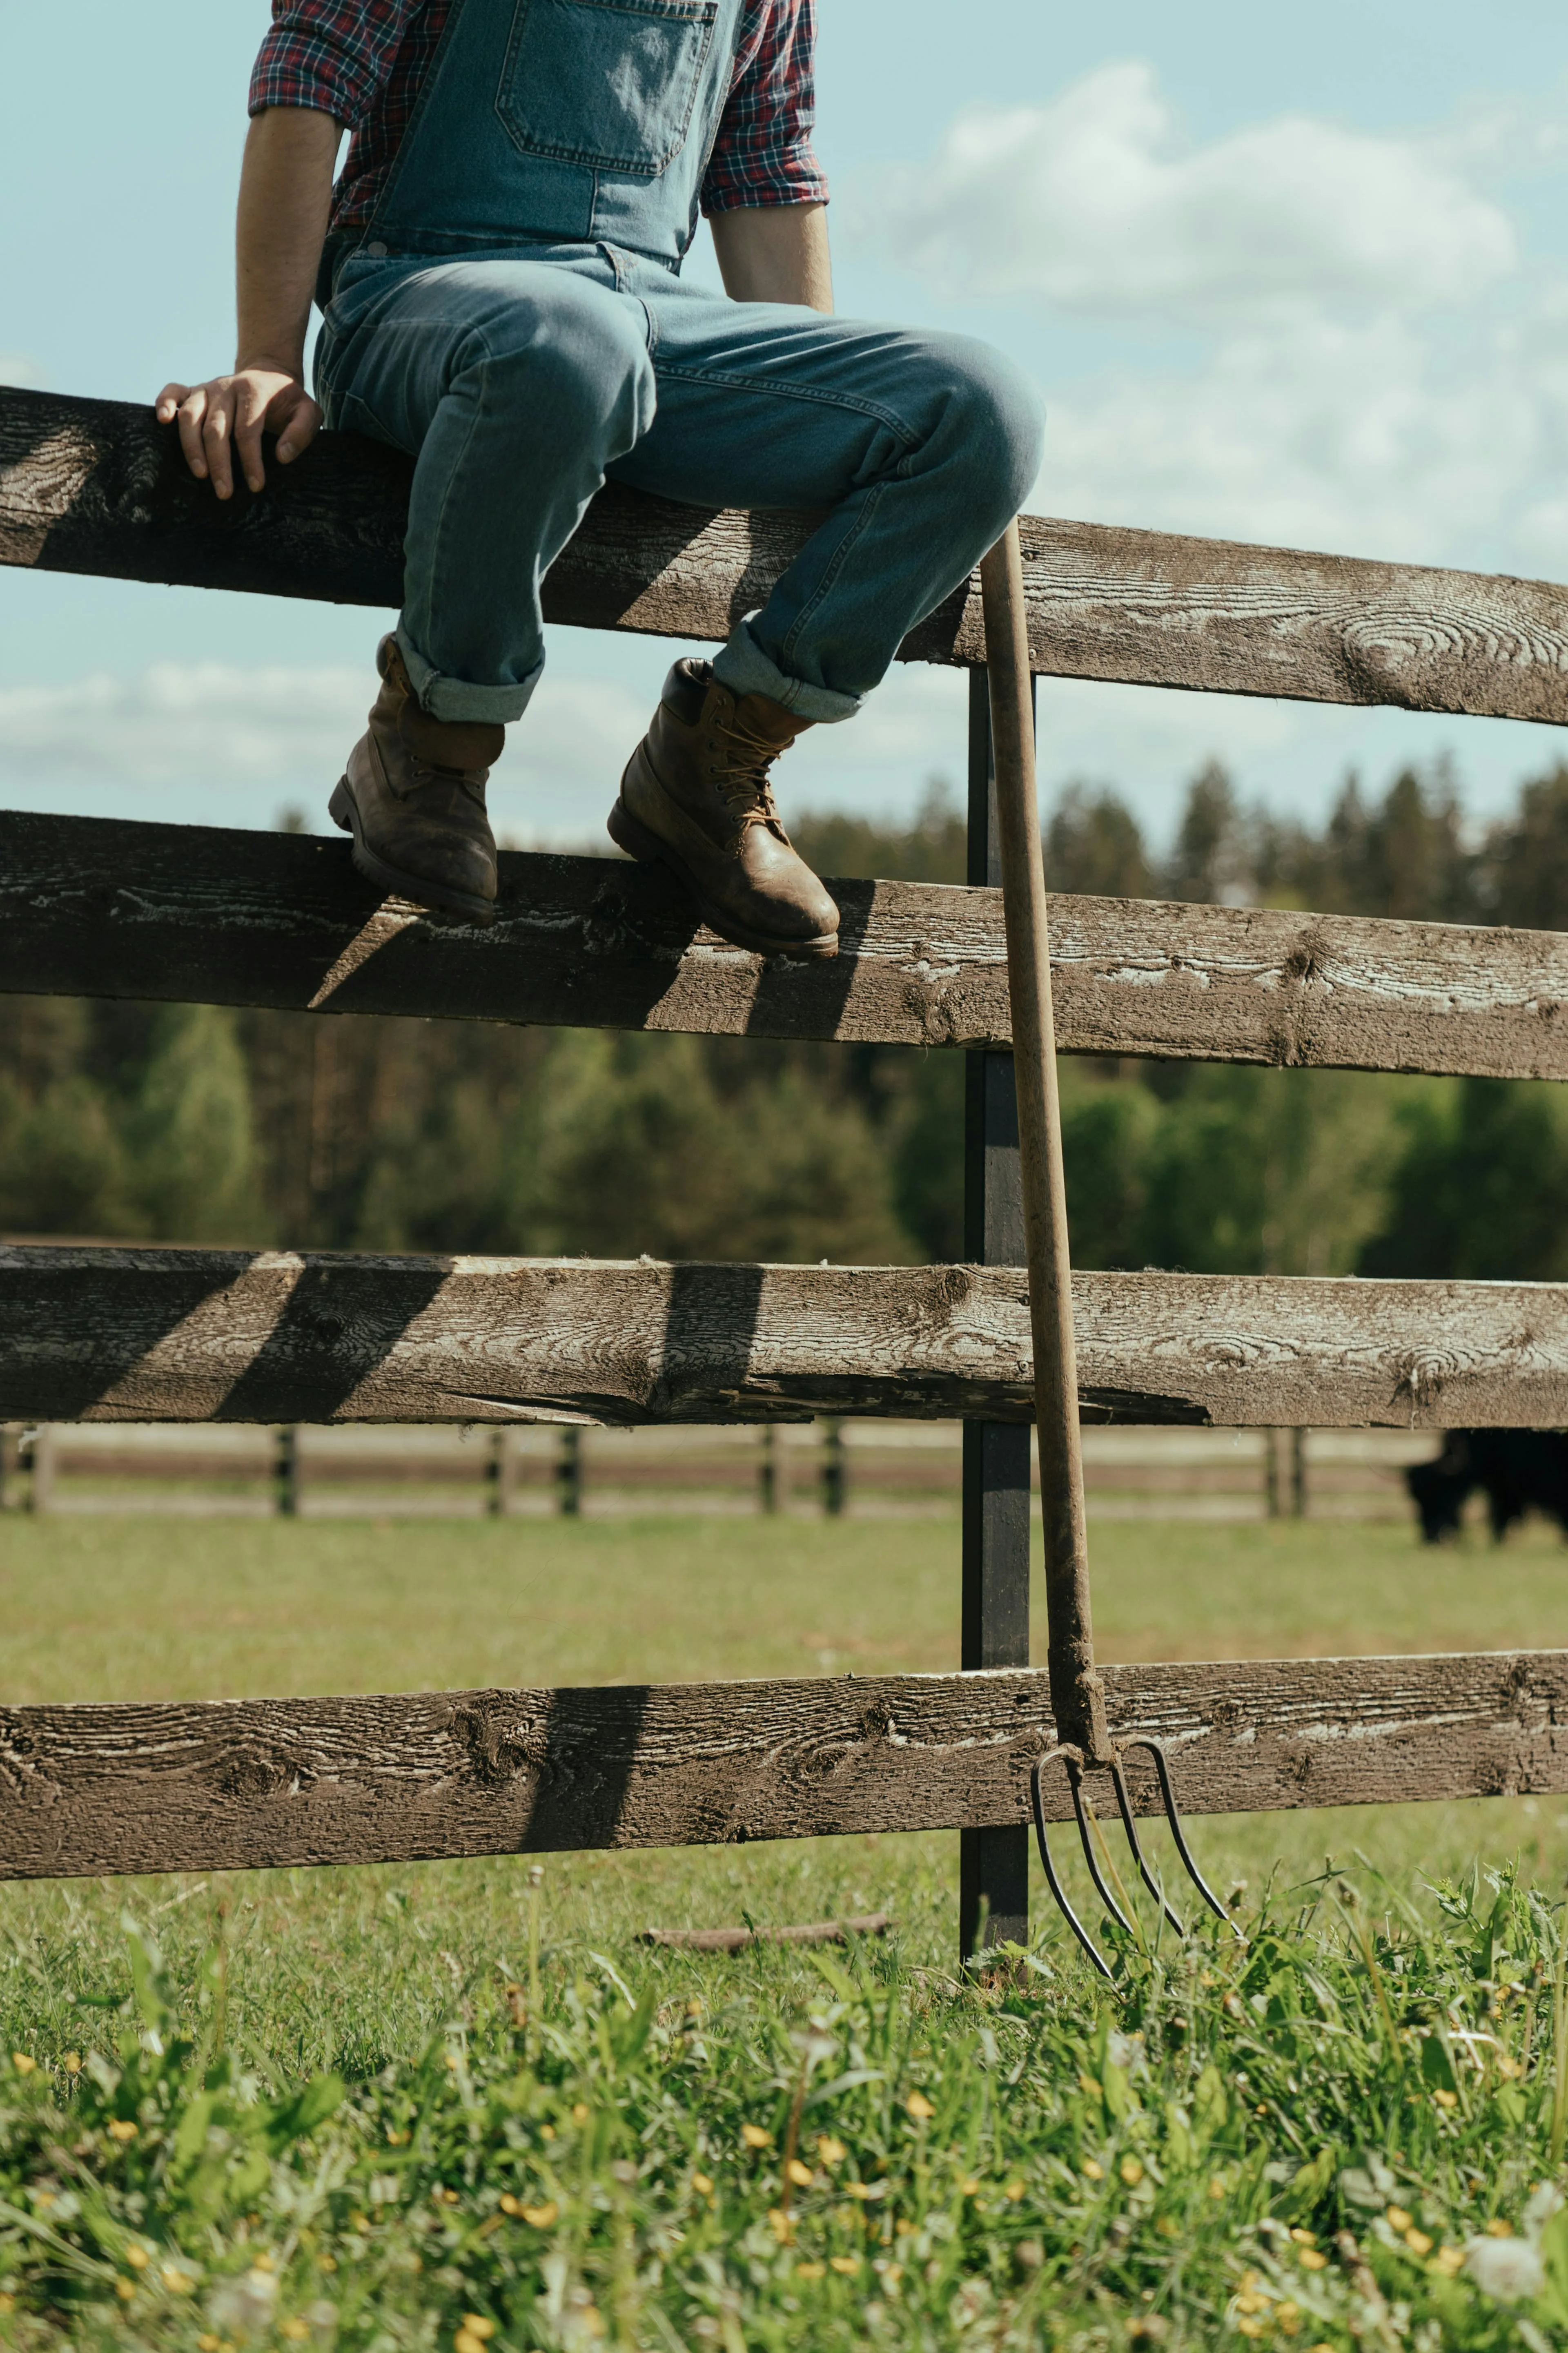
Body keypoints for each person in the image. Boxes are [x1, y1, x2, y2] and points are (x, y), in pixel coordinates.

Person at [158, 0, 1044, 955]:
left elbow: (767, 164)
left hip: (653, 322)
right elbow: (310, 72)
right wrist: (268, 358)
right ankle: (433, 741)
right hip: (422, 292)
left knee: (981, 410)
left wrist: (821, 443)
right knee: (576, 343)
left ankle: (720, 753)